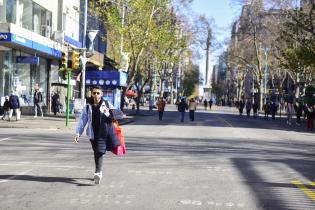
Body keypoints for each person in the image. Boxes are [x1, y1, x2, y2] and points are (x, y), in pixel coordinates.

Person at [75, 86, 120, 184]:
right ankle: (98, 171)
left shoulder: (107, 104)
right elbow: (83, 121)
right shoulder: (88, 107)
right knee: (96, 152)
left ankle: (98, 172)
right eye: (94, 93)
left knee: (99, 152)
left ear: (101, 94)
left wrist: (107, 112)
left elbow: (116, 115)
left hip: (104, 133)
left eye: (98, 93)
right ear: (91, 94)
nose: (96, 95)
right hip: (92, 134)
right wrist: (78, 133)